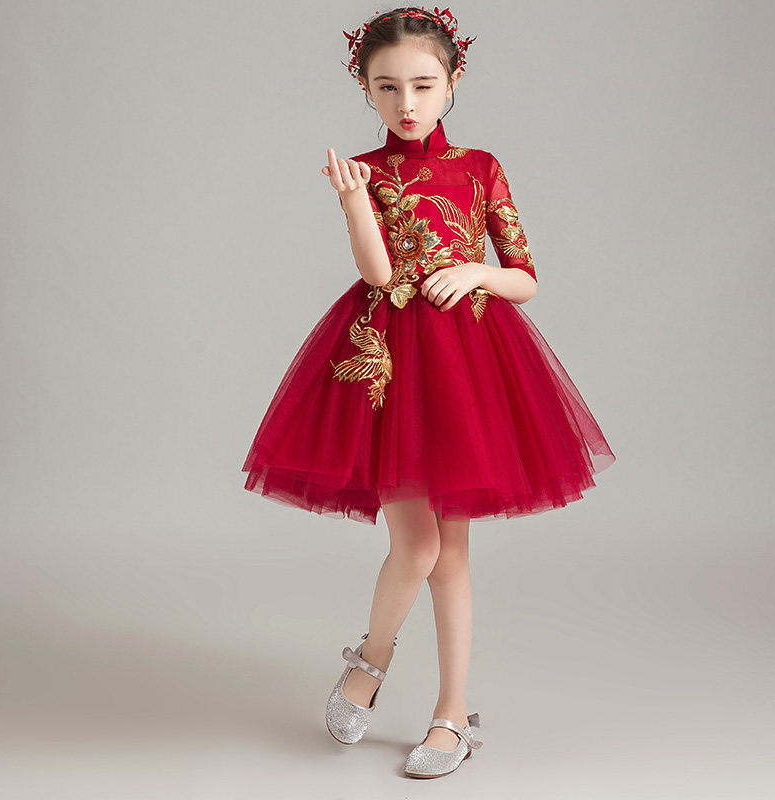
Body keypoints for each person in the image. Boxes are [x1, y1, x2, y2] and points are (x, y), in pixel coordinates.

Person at [241, 5, 616, 778]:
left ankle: (451, 714)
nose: (406, 103)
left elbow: (524, 276)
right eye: (387, 87)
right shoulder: (367, 172)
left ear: (452, 82)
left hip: (468, 361)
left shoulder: (481, 168)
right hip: (389, 360)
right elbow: (380, 276)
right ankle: (369, 662)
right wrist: (353, 202)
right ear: (366, 90)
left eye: (421, 85)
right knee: (417, 543)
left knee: (452, 555)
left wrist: (477, 270)